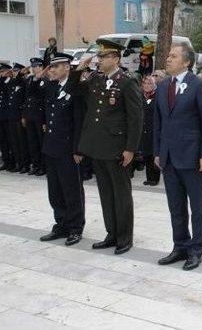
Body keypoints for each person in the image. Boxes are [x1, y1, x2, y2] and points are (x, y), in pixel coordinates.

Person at [74, 39, 144, 254]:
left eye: (104, 57)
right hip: (98, 147)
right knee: (105, 193)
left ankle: (124, 237)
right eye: (99, 56)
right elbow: (74, 90)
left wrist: (130, 148)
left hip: (117, 148)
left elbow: (136, 118)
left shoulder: (127, 82)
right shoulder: (95, 80)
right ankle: (111, 233)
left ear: (115, 58)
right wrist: (79, 69)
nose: (99, 60)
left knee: (121, 194)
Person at [155, 43, 202, 271]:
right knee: (176, 206)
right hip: (169, 157)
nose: (168, 59)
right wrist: (158, 152)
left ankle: (196, 249)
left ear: (187, 61)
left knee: (197, 207)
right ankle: (179, 245)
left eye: (173, 56)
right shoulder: (163, 86)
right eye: (168, 55)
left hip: (192, 158)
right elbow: (158, 123)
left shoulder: (198, 86)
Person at [38, 52, 86, 246]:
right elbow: (34, 88)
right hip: (51, 146)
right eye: (51, 67)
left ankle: (75, 227)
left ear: (67, 67)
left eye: (56, 66)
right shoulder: (51, 87)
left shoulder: (77, 89)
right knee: (55, 190)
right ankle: (61, 224)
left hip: (68, 149)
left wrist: (78, 150)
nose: (52, 70)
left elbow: (79, 121)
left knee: (72, 190)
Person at [3, 64, 30, 173]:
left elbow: (24, 100)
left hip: (19, 116)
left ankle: (26, 164)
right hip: (11, 116)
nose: (14, 73)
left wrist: (24, 115)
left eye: (16, 71)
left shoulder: (23, 82)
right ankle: (19, 163)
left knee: (22, 142)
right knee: (14, 141)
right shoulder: (12, 83)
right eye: (13, 71)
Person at [23, 58, 46, 176]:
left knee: (41, 142)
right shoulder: (30, 79)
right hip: (30, 115)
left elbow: (44, 99)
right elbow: (27, 96)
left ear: (41, 67)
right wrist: (24, 115)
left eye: (36, 66)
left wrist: (45, 121)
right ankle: (36, 165)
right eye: (33, 66)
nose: (34, 68)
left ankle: (43, 166)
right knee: (32, 142)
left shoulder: (46, 79)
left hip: (40, 116)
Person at [140, 75, 160, 186]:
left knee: (154, 154)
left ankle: (155, 178)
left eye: (149, 84)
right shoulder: (141, 96)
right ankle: (149, 177)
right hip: (144, 129)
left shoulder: (157, 96)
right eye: (145, 84)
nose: (147, 86)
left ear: (154, 85)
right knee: (147, 154)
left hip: (154, 128)